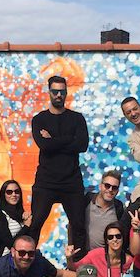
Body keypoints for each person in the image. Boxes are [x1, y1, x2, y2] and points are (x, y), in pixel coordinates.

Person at [29, 75, 89, 256]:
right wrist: (70, 139)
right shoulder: (39, 119)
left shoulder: (77, 119)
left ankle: (80, 266)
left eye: (62, 92)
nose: (58, 95)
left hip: (71, 181)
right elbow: (44, 145)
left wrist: (54, 140)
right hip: (46, 180)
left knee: (79, 226)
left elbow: (82, 145)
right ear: (49, 92)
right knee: (36, 223)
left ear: (66, 93)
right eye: (55, 91)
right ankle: (26, 258)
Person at [66, 222, 133, 277]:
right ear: (106, 241)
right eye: (110, 237)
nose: (115, 239)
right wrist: (69, 258)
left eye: (118, 236)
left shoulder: (128, 260)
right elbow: (74, 269)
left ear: (123, 238)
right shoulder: (96, 254)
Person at [83, 170, 125, 251]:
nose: (110, 189)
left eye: (114, 187)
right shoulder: (87, 200)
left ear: (117, 191)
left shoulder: (119, 208)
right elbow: (73, 224)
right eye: (107, 185)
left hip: (106, 259)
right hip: (84, 256)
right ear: (100, 186)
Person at [0, 180, 32, 256]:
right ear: (3, 195)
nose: (14, 194)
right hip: (5, 260)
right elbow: (10, 243)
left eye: (17, 191)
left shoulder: (22, 214)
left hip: (23, 259)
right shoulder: (0, 215)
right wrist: (26, 227)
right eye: (9, 192)